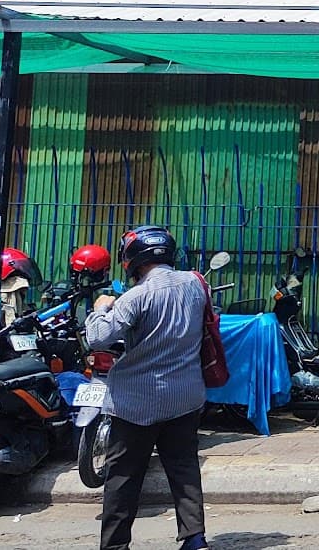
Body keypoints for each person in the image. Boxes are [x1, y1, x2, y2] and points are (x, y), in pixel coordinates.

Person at [86, 226, 211, 550]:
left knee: (123, 476)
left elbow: (98, 338)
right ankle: (195, 539)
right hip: (185, 395)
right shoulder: (196, 284)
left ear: (133, 259)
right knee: (184, 469)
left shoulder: (136, 296)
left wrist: (100, 308)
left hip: (138, 401)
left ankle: (115, 545)